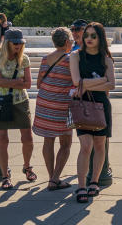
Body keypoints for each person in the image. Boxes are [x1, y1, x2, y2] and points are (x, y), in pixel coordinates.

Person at [70, 22, 115, 203]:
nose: (88, 38)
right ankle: (81, 185)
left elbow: (112, 84)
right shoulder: (76, 56)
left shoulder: (106, 58)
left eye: (93, 36)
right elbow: (75, 81)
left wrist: (86, 83)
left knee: (99, 145)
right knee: (86, 146)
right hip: (83, 104)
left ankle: (94, 182)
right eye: (86, 35)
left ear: (100, 38)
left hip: (101, 105)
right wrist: (101, 79)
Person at [0, 29, 34, 190]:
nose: (19, 45)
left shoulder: (24, 59)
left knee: (27, 138)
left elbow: (28, 84)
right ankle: (5, 175)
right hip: (1, 101)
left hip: (20, 101)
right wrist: (17, 82)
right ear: (7, 43)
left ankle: (27, 166)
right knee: (2, 139)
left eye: (21, 43)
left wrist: (6, 81)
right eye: (16, 43)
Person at [32, 27, 75, 191]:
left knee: (48, 140)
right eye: (71, 41)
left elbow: (38, 84)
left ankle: (52, 176)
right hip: (62, 105)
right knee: (66, 143)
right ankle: (55, 178)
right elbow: (76, 80)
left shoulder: (45, 58)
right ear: (66, 42)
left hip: (44, 104)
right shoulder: (71, 59)